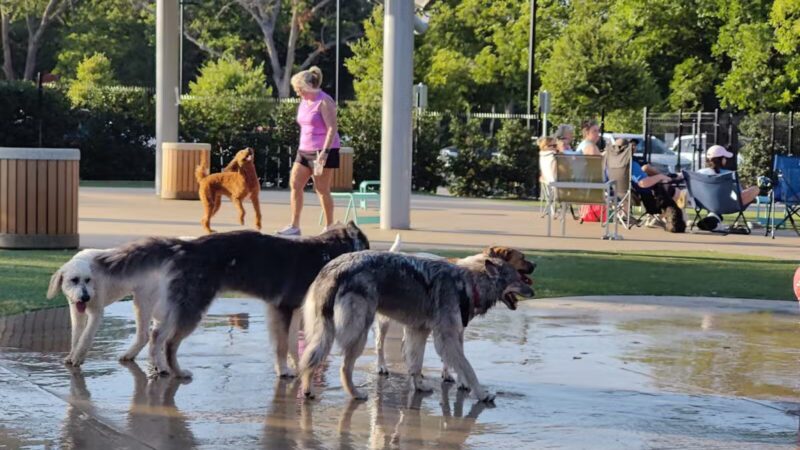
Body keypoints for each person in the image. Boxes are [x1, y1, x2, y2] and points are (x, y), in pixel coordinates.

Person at [277, 66, 341, 236]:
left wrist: (325, 153)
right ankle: (294, 226)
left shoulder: (325, 101)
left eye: (299, 89)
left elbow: (332, 128)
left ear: (308, 86)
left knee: (321, 189)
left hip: (322, 150)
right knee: (295, 184)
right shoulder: (304, 102)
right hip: (304, 149)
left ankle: (329, 226)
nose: (297, 92)